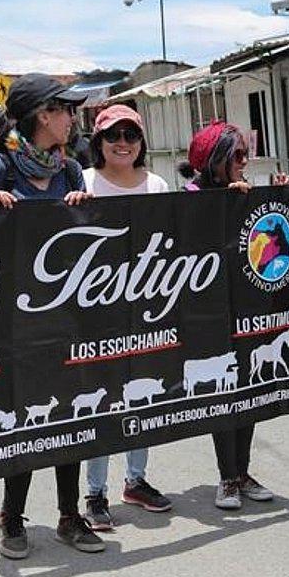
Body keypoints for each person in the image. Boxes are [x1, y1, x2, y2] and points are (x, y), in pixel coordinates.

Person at [0, 72, 102, 558]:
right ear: (44, 115)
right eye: (66, 109)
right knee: (25, 417)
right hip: (15, 318)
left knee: (69, 412)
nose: (73, 117)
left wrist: (83, 209)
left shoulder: (70, 170)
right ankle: (12, 515)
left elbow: (88, 238)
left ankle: (70, 514)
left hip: (67, 314)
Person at [178, 120, 287, 510]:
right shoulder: (190, 196)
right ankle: (226, 476)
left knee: (248, 389)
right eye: (237, 156)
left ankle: (243, 471)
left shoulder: (243, 192)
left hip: (246, 308)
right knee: (223, 394)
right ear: (215, 161)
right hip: (206, 313)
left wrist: (263, 197)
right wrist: (226, 202)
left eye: (246, 154)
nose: (245, 162)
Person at [79, 105, 174, 530]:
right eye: (113, 135)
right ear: (98, 141)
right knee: (100, 403)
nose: (122, 143)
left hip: (146, 310)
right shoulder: (82, 182)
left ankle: (135, 480)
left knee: (143, 396)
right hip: (95, 314)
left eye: (130, 135)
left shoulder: (156, 184)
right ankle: (93, 493)